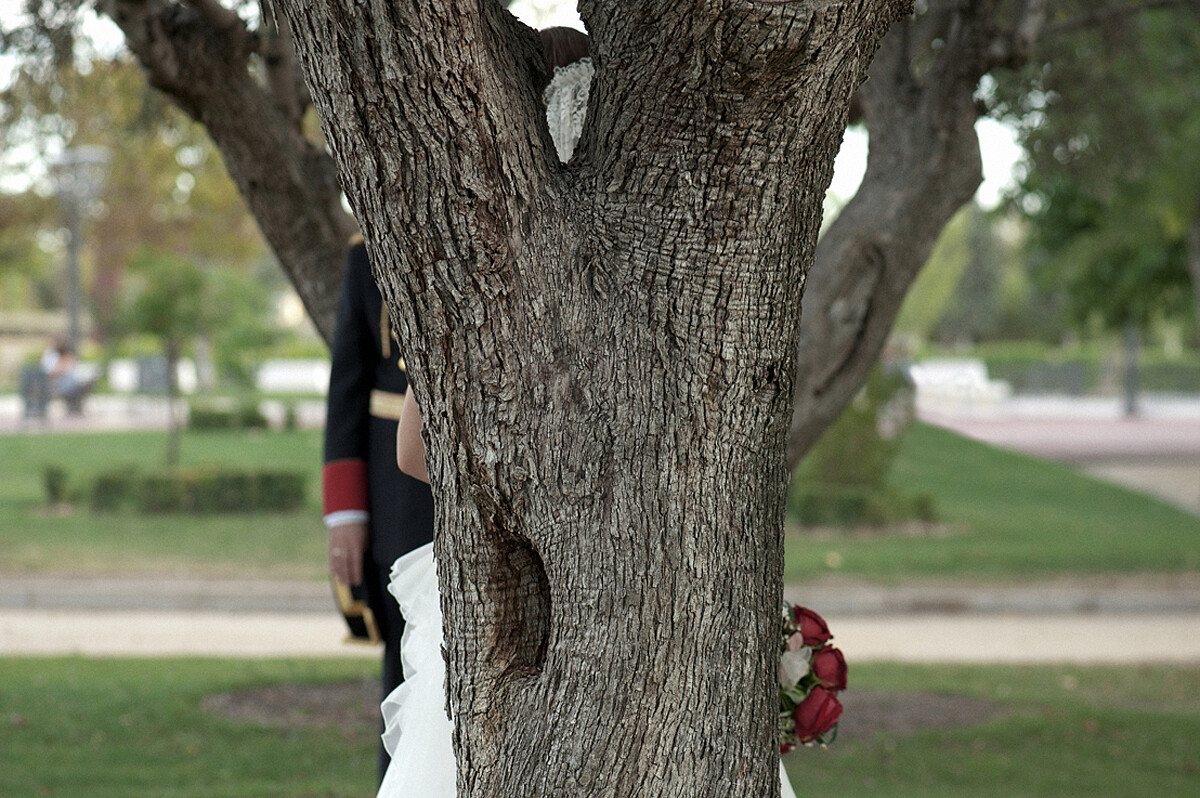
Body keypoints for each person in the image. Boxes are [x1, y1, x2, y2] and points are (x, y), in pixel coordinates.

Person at [373, 25, 799, 797]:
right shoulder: (677, 282)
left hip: (548, 580)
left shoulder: (489, 284)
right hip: (644, 567)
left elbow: (413, 451)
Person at [322, 239, 435, 781]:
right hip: (399, 490)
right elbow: (348, 384)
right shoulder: (368, 251)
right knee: (407, 660)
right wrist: (345, 513)